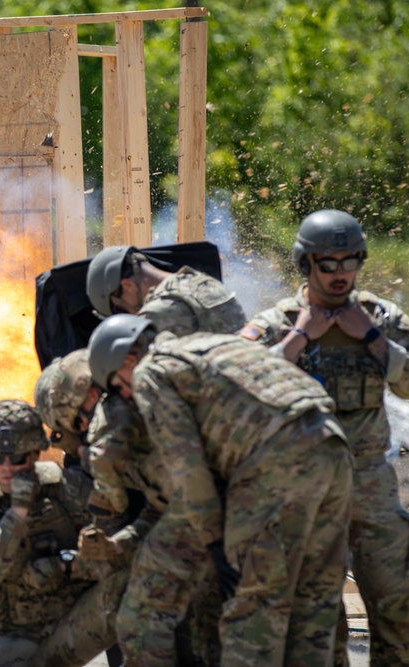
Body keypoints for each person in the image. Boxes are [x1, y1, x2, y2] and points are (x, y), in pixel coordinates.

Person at [89, 313, 353, 666]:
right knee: (315, 609)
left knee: (250, 618)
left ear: (128, 359)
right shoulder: (213, 344)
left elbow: (187, 466)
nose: (127, 395)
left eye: (120, 386)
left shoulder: (153, 371)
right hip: (332, 446)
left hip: (275, 462)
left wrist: (215, 542)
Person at [240, 209, 409, 666]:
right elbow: (238, 390)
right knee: (317, 632)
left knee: (399, 612)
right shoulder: (276, 323)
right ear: (305, 264)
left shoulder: (381, 318)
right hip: (302, 492)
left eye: (352, 261)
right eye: (329, 263)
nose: (341, 273)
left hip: (370, 486)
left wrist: (370, 338)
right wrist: (298, 340)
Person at [34, 347, 215, 666]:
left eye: (78, 421)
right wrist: (119, 544)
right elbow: (162, 507)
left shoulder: (119, 429)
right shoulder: (141, 414)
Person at [0, 399, 128, 667]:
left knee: (134, 587)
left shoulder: (68, 489)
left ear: (35, 454)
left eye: (17, 458)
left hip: (69, 625)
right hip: (7, 635)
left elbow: (119, 546)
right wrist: (17, 513)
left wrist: (69, 565)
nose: (6, 467)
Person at [85, 245, 245, 338]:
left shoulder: (157, 312)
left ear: (128, 286)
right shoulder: (201, 280)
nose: (129, 315)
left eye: (120, 308)